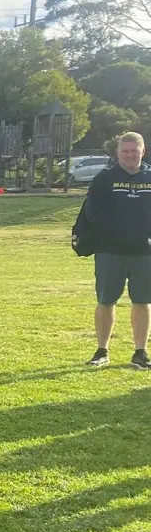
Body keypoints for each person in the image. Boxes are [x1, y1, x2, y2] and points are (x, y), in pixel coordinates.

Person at [81, 131, 151, 370]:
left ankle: (140, 352)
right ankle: (102, 350)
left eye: (134, 151)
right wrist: (115, 235)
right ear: (118, 153)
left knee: (142, 301)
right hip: (110, 251)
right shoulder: (104, 178)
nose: (130, 155)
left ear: (143, 151)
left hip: (144, 252)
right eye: (125, 151)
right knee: (106, 299)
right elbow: (93, 213)